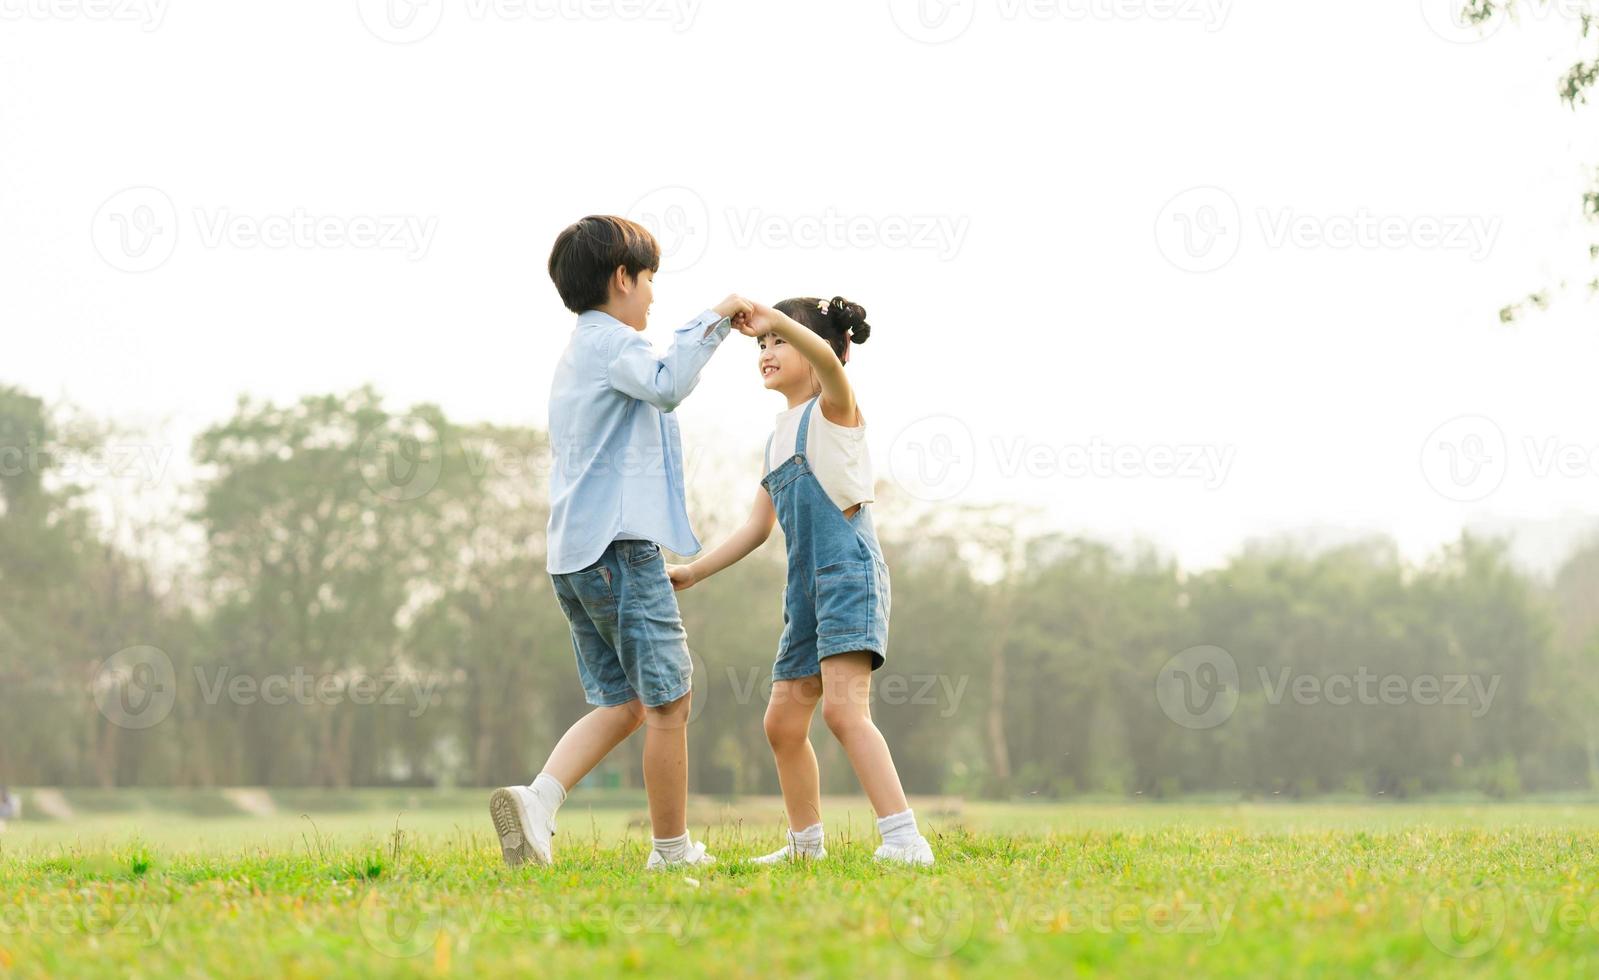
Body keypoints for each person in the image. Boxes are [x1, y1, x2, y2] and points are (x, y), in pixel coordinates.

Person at [490, 215, 753, 870]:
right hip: (617, 550)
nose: (654, 295)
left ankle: (539, 801)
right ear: (621, 279)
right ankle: (670, 851)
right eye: (650, 279)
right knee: (669, 702)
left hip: (574, 557)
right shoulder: (612, 346)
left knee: (626, 702)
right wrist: (718, 315)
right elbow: (668, 384)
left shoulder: (581, 350)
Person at [669, 296, 935, 865]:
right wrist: (693, 571)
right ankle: (805, 846)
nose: (765, 350)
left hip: (848, 580)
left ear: (816, 350)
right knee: (783, 723)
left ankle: (905, 839)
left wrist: (775, 317)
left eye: (778, 342)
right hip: (805, 593)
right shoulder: (775, 440)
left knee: (844, 712)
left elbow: (832, 366)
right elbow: (757, 527)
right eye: (761, 344)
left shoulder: (837, 413)